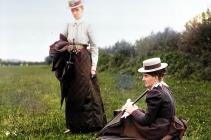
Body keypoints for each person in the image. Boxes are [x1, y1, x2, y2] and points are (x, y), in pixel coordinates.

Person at [51, 0, 107, 133]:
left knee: (86, 90)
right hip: (70, 60)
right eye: (72, 10)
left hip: (83, 59)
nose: (75, 12)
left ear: (82, 9)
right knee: (71, 92)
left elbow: (94, 47)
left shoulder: (88, 25)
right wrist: (66, 47)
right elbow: (60, 41)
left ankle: (92, 125)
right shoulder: (68, 25)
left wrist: (93, 66)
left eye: (77, 9)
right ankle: (73, 126)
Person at [98, 57, 182, 140]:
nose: (143, 79)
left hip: (158, 130)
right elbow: (154, 114)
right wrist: (135, 110)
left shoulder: (156, 93)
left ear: (156, 77)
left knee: (129, 118)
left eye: (146, 76)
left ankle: (112, 132)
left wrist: (132, 110)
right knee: (135, 112)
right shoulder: (163, 87)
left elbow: (146, 120)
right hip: (165, 126)